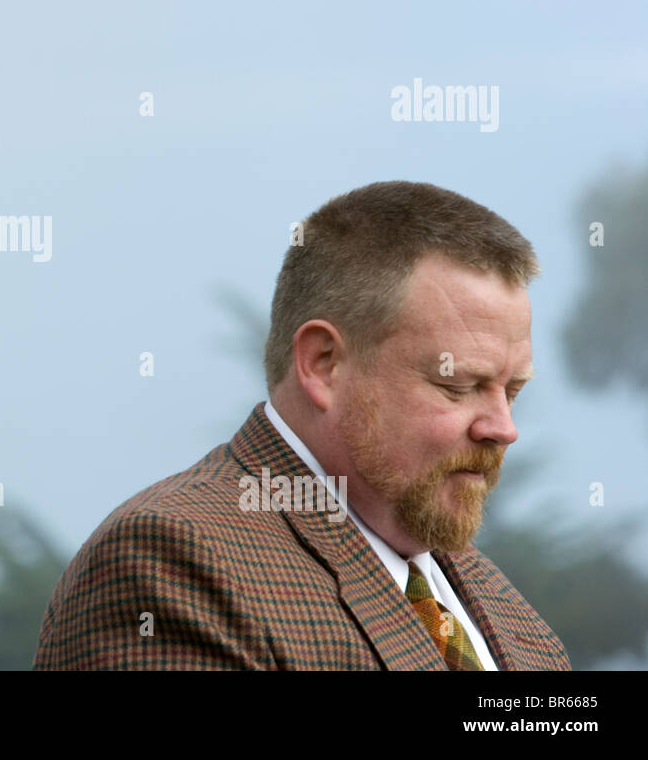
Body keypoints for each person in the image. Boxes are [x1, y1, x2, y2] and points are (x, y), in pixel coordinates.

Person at [32, 181, 570, 670]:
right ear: (322, 364)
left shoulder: (513, 621)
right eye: (459, 386)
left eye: (513, 391)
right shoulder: (174, 562)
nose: (503, 428)